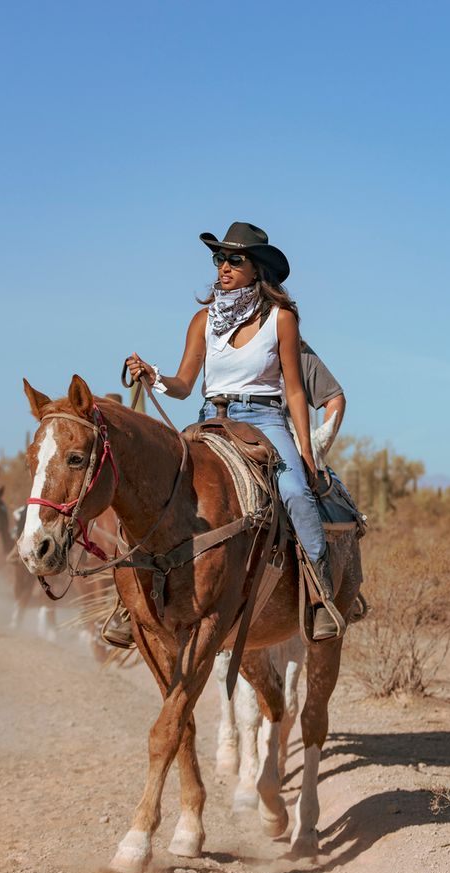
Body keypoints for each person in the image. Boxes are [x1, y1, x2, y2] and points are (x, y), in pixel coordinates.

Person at [122, 221, 344, 643]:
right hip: (209, 419)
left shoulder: (282, 319)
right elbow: (185, 384)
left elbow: (295, 391)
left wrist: (307, 453)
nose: (222, 267)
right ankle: (128, 601)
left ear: (256, 269)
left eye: (233, 259)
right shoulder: (203, 320)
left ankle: (319, 594)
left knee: (296, 492)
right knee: (154, 487)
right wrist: (154, 376)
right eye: (218, 258)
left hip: (263, 420)